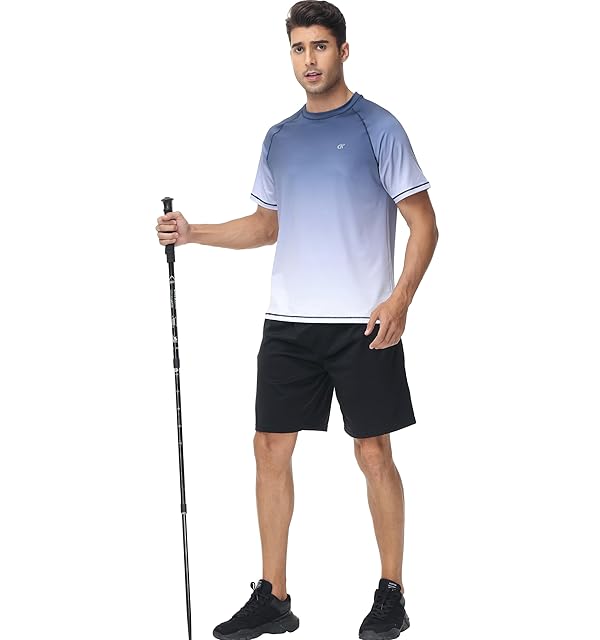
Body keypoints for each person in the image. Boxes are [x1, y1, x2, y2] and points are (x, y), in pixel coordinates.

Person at [155, 1, 438, 638]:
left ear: (343, 50)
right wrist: (193, 232)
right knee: (268, 448)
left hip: (364, 321)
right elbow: (266, 226)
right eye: (299, 48)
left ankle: (391, 592)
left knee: (373, 452)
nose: (309, 60)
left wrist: (399, 301)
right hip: (289, 323)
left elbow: (424, 225)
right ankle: (274, 597)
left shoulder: (378, 126)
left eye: (320, 46)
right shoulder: (279, 137)